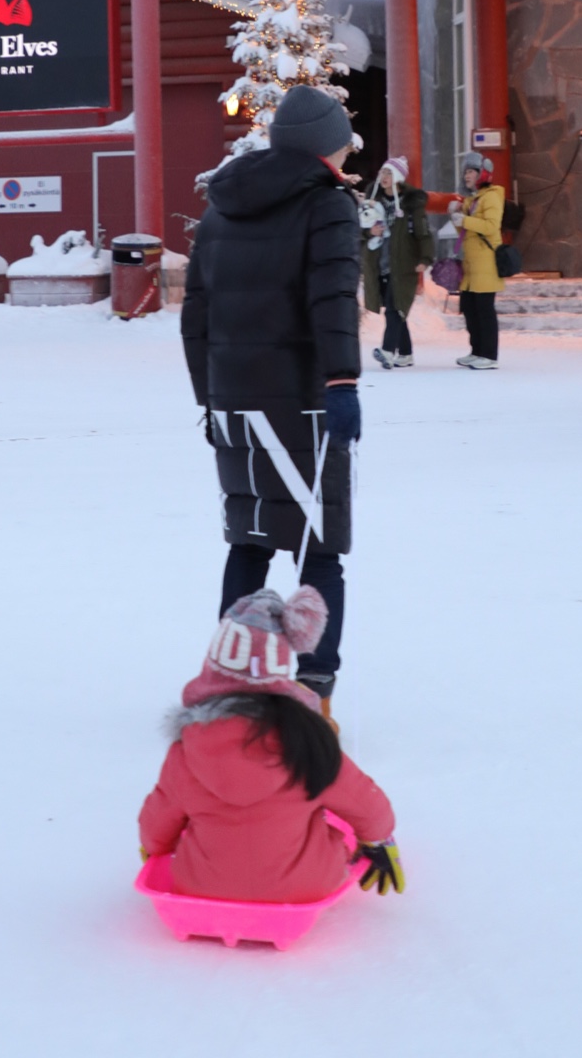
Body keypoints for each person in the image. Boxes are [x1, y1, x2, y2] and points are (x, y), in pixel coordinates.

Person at [181, 83, 362, 717]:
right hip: (305, 406)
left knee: (251, 541)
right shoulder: (328, 205)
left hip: (236, 403)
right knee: (320, 552)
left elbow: (195, 312)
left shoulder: (221, 206)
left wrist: (210, 398)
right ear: (325, 147)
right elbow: (332, 303)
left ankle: (232, 673)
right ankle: (313, 687)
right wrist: (343, 383)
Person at [138, 586, 403, 904]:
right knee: (329, 832)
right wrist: (378, 841)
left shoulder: (188, 748)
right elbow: (365, 804)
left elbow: (158, 819)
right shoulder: (307, 742)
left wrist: (154, 849)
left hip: (201, 887)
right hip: (307, 886)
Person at [360, 154, 434, 368]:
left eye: (389, 173)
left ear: (398, 177)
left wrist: (425, 258)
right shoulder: (373, 201)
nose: (384, 177)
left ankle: (387, 350)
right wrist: (369, 231)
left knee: (394, 307)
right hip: (380, 263)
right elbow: (360, 229)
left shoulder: (411, 205)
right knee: (396, 307)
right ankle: (406, 353)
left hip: (404, 264)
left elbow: (424, 234)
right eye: (382, 172)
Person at [453, 151, 505, 370]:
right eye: (465, 171)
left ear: (483, 173)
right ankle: (476, 351)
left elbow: (491, 226)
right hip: (471, 265)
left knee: (484, 311)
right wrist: (457, 217)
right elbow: (465, 231)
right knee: (470, 310)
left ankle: (489, 355)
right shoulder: (472, 200)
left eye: (472, 171)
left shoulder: (492, 196)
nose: (467, 176)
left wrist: (465, 220)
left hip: (486, 263)